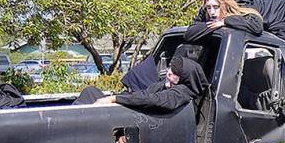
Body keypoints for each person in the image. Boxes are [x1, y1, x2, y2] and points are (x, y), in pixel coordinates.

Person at [79, 54, 209, 115]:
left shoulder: (182, 93)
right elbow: (143, 94)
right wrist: (119, 97)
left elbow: (154, 100)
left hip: (148, 123)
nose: (168, 85)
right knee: (90, 92)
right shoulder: (161, 84)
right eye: (168, 78)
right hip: (137, 115)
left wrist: (115, 99)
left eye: (173, 83)